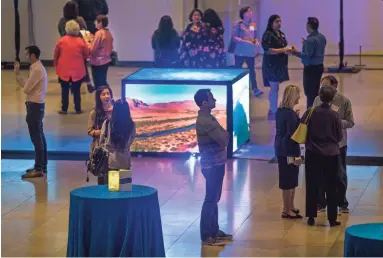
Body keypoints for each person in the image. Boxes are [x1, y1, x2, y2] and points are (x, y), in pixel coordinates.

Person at [194, 89, 232, 246]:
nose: (215, 99)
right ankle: (206, 236)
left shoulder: (208, 117)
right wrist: (225, 135)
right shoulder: (205, 121)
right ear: (204, 102)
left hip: (217, 162)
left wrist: (225, 135)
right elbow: (224, 139)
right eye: (211, 98)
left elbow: (224, 136)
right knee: (210, 199)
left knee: (214, 197)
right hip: (211, 165)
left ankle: (214, 230)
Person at [314, 75, 355, 213]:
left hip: (339, 145)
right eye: (322, 86)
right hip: (321, 144)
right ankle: (321, 202)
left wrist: (336, 122)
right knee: (320, 174)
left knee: (340, 174)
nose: (323, 89)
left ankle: (342, 202)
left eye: (326, 86)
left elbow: (350, 122)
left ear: (335, 86)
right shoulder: (317, 100)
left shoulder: (344, 101)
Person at [303, 85, 343, 227]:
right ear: (332, 99)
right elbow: (339, 136)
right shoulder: (335, 115)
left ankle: (311, 216)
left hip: (312, 152)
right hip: (331, 154)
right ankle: (332, 218)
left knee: (312, 184)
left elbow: (302, 129)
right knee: (331, 185)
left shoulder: (310, 111)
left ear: (319, 97)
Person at [14, 46, 48, 178]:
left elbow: (26, 89)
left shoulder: (37, 69)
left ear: (33, 55)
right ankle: (41, 166)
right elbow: (27, 85)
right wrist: (17, 74)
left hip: (35, 106)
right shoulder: (36, 68)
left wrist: (22, 80)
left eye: (27, 55)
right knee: (39, 136)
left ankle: (39, 168)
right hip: (36, 106)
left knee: (37, 138)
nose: (25, 57)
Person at [274, 85, 303, 219]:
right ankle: (286, 209)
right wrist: (296, 154)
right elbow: (293, 134)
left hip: (280, 148)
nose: (299, 97)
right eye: (297, 94)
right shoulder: (290, 115)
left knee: (290, 178)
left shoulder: (280, 111)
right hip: (288, 150)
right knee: (289, 180)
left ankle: (290, 206)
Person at [57, 0, 94, 93]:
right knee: (83, 65)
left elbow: (60, 32)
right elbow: (85, 30)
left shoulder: (62, 21)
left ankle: (69, 84)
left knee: (68, 66)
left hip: (66, 47)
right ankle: (88, 83)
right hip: (79, 46)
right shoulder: (80, 20)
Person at [54, 20, 90, 114]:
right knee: (76, 90)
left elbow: (56, 54)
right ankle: (78, 108)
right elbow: (86, 54)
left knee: (64, 90)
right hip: (78, 71)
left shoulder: (61, 41)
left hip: (64, 70)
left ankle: (64, 108)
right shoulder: (81, 41)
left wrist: (56, 64)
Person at [261, 14, 292, 120]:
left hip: (279, 64)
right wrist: (283, 50)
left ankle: (272, 108)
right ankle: (273, 111)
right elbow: (268, 50)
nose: (279, 23)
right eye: (276, 22)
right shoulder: (268, 35)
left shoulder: (281, 34)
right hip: (271, 65)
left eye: (280, 21)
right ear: (271, 23)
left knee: (275, 87)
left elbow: (283, 46)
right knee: (274, 88)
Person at [292, 17, 327, 108]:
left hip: (310, 69)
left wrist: (295, 52)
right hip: (319, 67)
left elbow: (306, 56)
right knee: (315, 91)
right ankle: (316, 111)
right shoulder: (322, 37)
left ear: (308, 26)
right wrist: (306, 45)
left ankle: (310, 114)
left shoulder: (310, 41)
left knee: (310, 93)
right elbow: (316, 49)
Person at [232, 6, 263, 97]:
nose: (250, 13)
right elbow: (235, 38)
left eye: (251, 11)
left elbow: (254, 36)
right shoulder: (239, 25)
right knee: (238, 70)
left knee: (252, 71)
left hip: (250, 52)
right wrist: (246, 41)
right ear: (243, 14)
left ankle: (255, 89)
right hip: (240, 52)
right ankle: (236, 88)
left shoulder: (253, 25)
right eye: (248, 11)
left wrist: (256, 41)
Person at [99, 99, 136, 176]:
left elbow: (101, 141)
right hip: (125, 161)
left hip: (111, 162)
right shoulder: (131, 125)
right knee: (125, 186)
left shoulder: (107, 123)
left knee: (113, 187)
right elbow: (132, 139)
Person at [88, 86, 114, 185]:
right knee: (102, 176)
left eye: (108, 93)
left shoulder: (116, 110)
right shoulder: (94, 113)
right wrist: (102, 131)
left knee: (113, 176)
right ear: (98, 97)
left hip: (113, 148)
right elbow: (90, 131)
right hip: (101, 148)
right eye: (103, 94)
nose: (106, 96)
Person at [84, 15, 113, 89]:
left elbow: (93, 49)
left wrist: (88, 43)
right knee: (103, 81)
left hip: (97, 62)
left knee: (98, 83)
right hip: (106, 60)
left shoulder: (99, 33)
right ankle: (109, 96)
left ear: (100, 23)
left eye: (96, 22)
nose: (95, 23)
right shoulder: (108, 33)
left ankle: (101, 98)